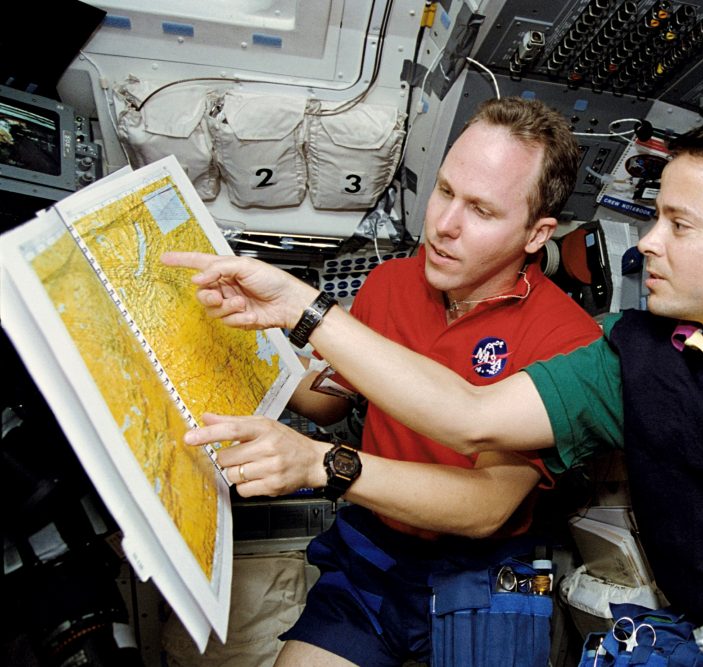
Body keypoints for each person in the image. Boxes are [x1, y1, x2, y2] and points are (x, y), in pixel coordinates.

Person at [166, 121, 703, 666]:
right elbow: (467, 414)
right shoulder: (631, 353)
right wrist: (305, 313)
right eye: (653, 217)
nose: (645, 243)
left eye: (679, 226)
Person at [166, 97, 601, 667]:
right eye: (445, 191)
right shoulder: (392, 282)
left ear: (535, 234)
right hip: (376, 548)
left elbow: (486, 507)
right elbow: (325, 402)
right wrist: (235, 337)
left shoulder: (568, 342)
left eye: (481, 211)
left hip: (484, 568)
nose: (444, 226)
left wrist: (318, 465)